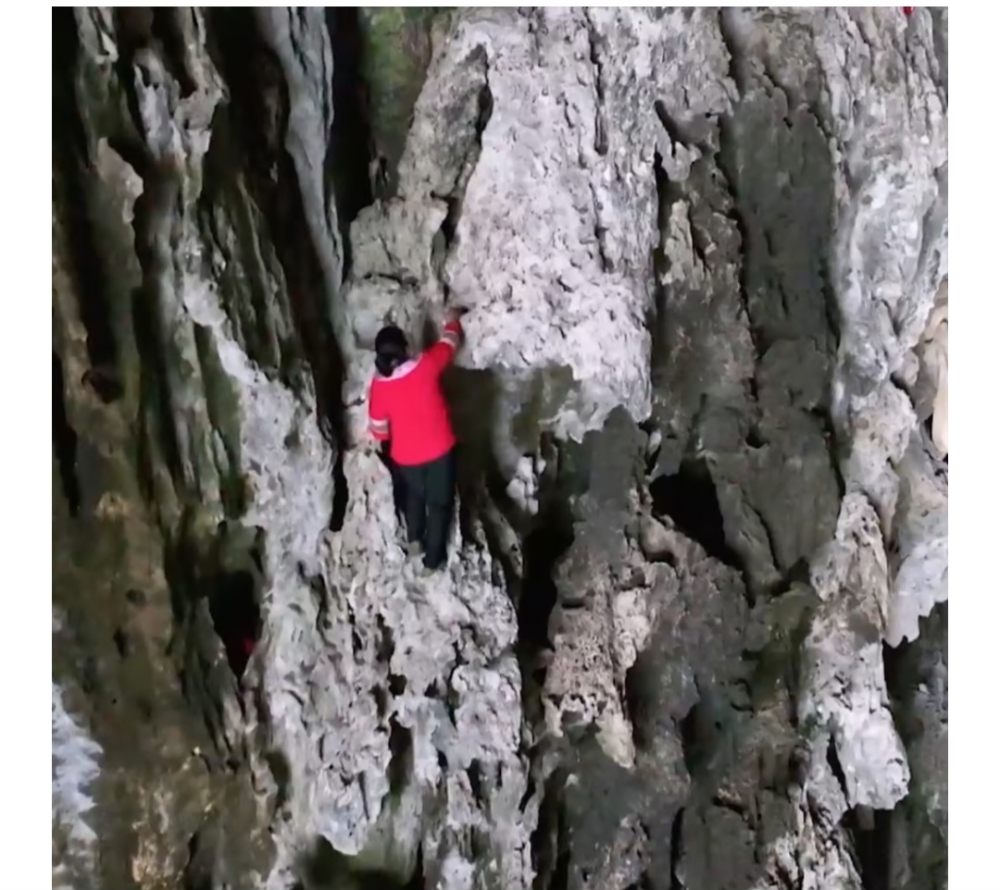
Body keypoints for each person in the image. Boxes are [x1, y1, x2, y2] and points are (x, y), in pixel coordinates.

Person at [367, 307, 465, 572]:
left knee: (415, 495)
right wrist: (452, 321)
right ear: (405, 347)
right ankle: (432, 562)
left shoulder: (379, 385)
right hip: (439, 450)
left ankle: (414, 540)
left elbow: (379, 431)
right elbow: (449, 343)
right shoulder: (426, 365)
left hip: (406, 457)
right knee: (440, 505)